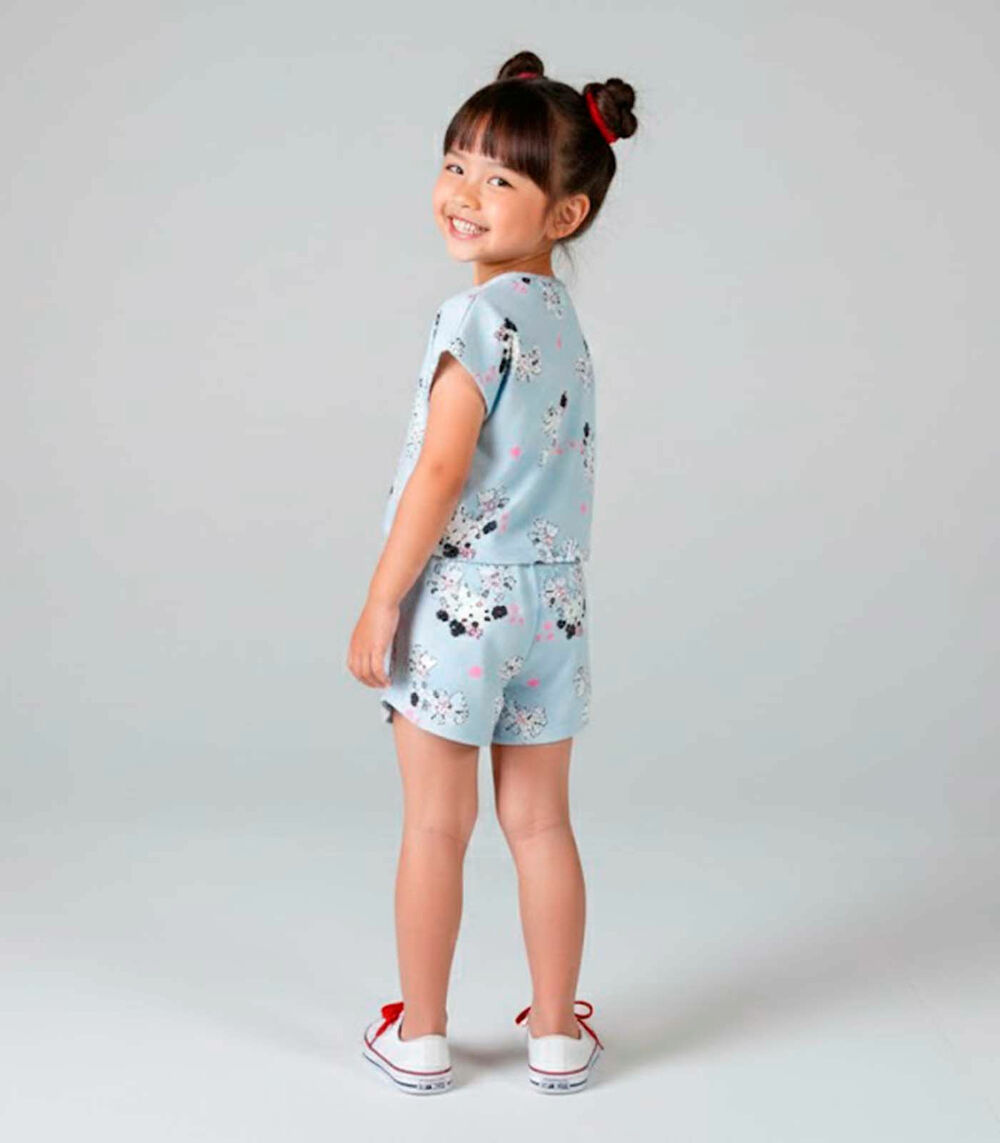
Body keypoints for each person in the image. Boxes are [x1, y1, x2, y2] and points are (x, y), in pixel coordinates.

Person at [348, 49, 638, 1094]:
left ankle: (421, 1034)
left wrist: (383, 598)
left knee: (436, 824)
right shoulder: (564, 326)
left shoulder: (474, 317)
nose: (463, 192)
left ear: (564, 214)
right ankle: (556, 1035)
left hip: (461, 599)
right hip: (553, 603)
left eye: (500, 178)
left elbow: (441, 469)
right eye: (455, 164)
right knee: (542, 823)